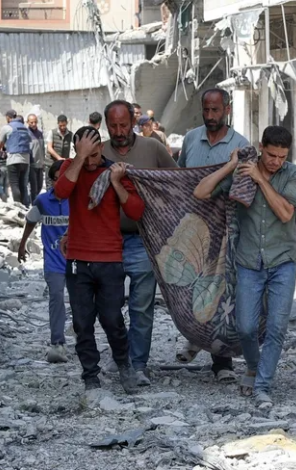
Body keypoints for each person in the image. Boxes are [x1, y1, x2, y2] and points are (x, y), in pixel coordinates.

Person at [194, 126, 296, 406]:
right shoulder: (242, 173)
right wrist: (232, 166)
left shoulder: (293, 174)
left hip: (283, 262)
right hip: (248, 262)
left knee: (277, 328)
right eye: (270, 155)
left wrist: (261, 180)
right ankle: (254, 366)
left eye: (281, 156)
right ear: (261, 147)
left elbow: (285, 212)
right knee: (245, 328)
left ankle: (262, 385)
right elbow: (201, 192)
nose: (276, 161)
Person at [54, 126, 144, 394]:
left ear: (102, 148)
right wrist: (79, 160)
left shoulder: (115, 171)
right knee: (82, 323)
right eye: (86, 156)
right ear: (77, 151)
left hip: (110, 259)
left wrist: (116, 183)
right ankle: (90, 375)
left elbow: (136, 210)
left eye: (95, 155)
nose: (92, 162)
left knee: (112, 319)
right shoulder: (71, 168)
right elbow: (60, 192)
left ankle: (124, 365)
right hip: (78, 259)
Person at [99, 100, 177, 387]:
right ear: (107, 125)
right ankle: (121, 356)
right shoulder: (100, 151)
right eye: (113, 126)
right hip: (107, 241)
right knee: (109, 306)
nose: (119, 131)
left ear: (134, 121)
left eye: (124, 125)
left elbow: (175, 183)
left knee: (141, 306)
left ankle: (138, 364)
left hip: (145, 238)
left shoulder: (152, 148)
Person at [176, 88, 250, 384]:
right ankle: (196, 338)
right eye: (206, 110)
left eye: (216, 110)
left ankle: (222, 363)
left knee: (222, 294)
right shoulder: (191, 139)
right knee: (189, 287)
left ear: (227, 110)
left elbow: (245, 187)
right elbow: (180, 179)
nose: (210, 116)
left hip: (226, 228)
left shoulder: (241, 145)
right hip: (192, 227)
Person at [19, 159, 70, 364]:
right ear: (51, 181)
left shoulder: (76, 200)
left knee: (80, 300)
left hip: (76, 259)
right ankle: (58, 343)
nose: (61, 184)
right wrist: (22, 244)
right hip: (53, 261)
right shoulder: (42, 201)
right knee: (56, 298)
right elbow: (31, 220)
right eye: (57, 180)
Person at [0, 110, 32, 206]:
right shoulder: (25, 128)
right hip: (25, 160)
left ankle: (18, 207)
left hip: (13, 159)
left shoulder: (7, 127)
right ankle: (25, 206)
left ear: (8, 117)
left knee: (14, 184)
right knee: (23, 185)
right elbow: (29, 141)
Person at [45, 115, 74, 188]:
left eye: (64, 125)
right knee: (50, 185)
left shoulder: (70, 135)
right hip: (51, 164)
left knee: (61, 185)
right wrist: (58, 158)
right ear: (58, 124)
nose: (62, 127)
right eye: (60, 125)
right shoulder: (52, 133)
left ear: (67, 123)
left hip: (62, 165)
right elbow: (49, 148)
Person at [28, 113, 46, 200]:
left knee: (39, 186)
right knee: (33, 187)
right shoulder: (27, 134)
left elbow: (42, 148)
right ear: (28, 122)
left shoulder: (40, 134)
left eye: (35, 122)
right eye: (31, 122)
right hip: (32, 165)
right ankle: (33, 204)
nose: (34, 124)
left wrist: (43, 162)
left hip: (40, 164)